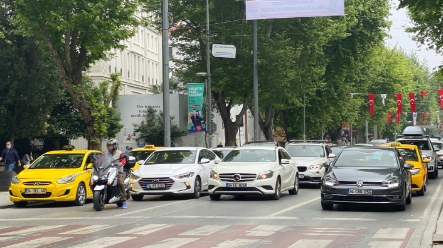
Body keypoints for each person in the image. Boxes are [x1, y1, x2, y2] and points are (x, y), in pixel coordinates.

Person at [106, 139, 128, 209]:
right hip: (107, 172)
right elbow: (100, 160)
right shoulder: (106, 153)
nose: (109, 147)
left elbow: (123, 160)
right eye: (108, 145)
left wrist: (121, 163)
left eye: (110, 145)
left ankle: (123, 200)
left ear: (114, 146)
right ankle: (98, 200)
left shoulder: (120, 153)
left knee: (120, 183)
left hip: (118, 172)